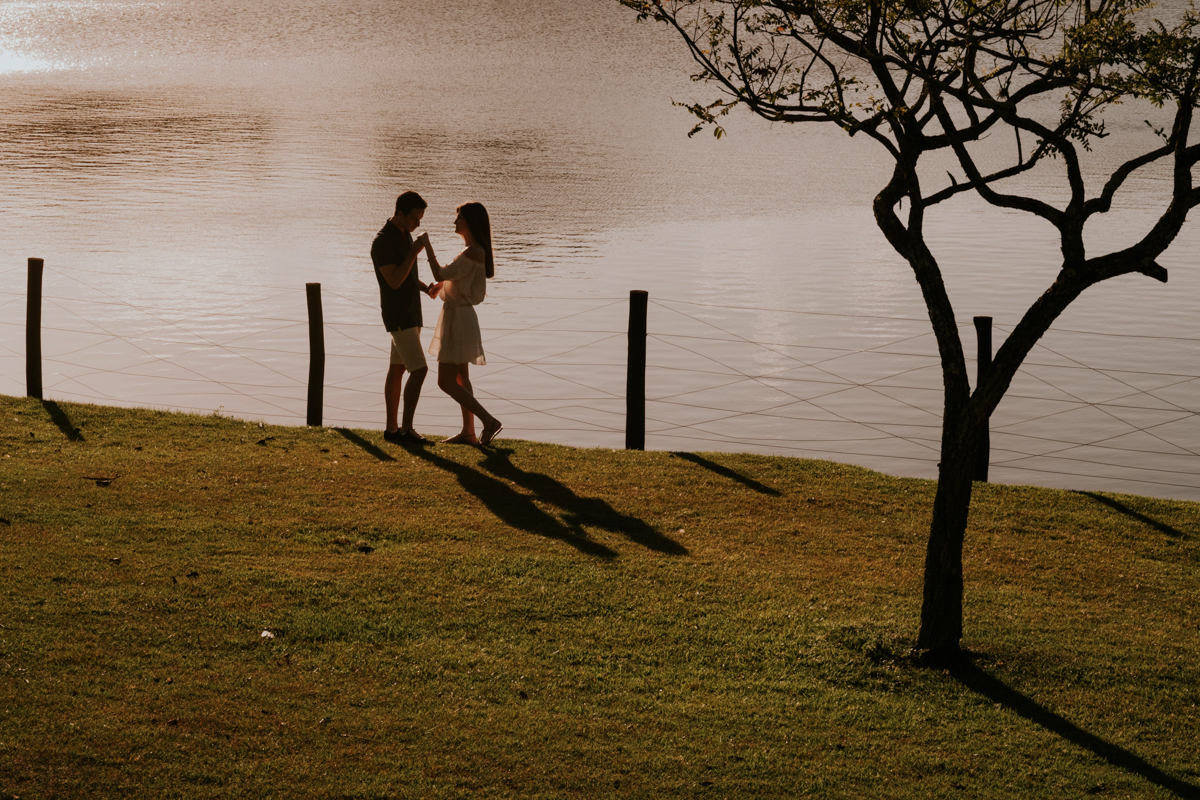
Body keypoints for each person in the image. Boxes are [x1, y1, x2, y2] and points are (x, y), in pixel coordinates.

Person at [422, 201, 503, 445]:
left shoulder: (474, 251)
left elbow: (441, 272)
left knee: (444, 381)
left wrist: (426, 244)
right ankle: (468, 432)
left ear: (470, 222)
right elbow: (455, 278)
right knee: (460, 378)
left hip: (459, 320)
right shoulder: (471, 251)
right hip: (458, 316)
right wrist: (444, 286)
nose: (454, 222)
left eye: (459, 218)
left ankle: (488, 421)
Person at [371, 191, 435, 444]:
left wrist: (425, 288)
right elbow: (394, 281)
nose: (417, 225)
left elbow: (405, 274)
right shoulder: (382, 241)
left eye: (420, 219)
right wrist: (416, 251)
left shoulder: (404, 235)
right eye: (414, 219)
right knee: (419, 370)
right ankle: (407, 430)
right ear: (399, 213)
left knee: (397, 369)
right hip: (398, 316)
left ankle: (392, 430)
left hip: (412, 313)